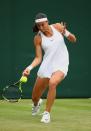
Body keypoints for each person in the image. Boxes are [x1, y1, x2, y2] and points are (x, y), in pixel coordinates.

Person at [22, 13, 76, 123]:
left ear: (47, 22)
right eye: (38, 26)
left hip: (61, 64)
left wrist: (64, 32)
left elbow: (74, 39)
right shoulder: (37, 38)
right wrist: (29, 67)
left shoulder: (57, 27)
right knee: (34, 98)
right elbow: (38, 58)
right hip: (47, 66)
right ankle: (37, 104)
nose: (41, 28)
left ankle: (47, 113)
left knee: (52, 83)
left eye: (43, 25)